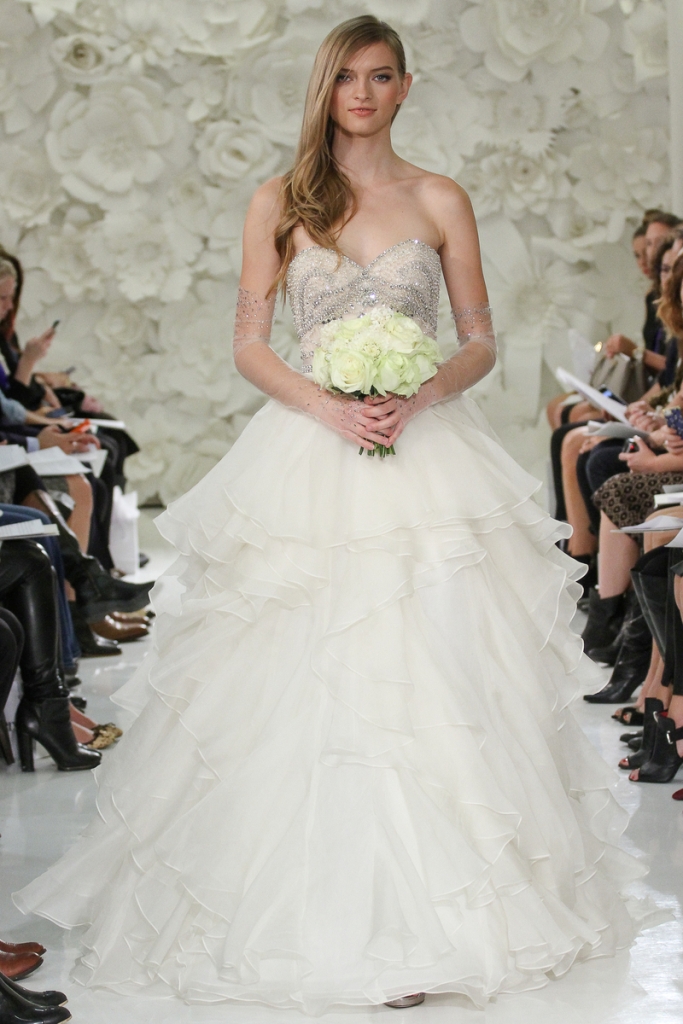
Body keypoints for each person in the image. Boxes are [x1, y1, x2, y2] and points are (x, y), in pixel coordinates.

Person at [15, 16, 646, 1014]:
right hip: (311, 445)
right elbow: (250, 340)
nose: (360, 92)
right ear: (324, 88)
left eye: (379, 75)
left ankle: (442, 912)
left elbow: (478, 338)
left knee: (433, 665)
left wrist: (419, 393)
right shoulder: (278, 199)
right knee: (299, 668)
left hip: (422, 445)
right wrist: (329, 405)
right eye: (344, 76)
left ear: (404, 86)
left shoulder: (439, 196)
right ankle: (318, 912)